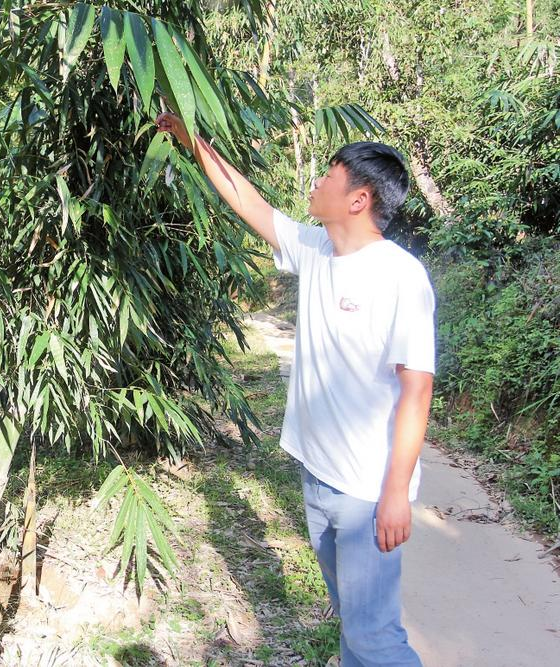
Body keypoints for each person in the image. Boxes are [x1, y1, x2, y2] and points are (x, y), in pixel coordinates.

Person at [156, 112, 434, 667]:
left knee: (375, 636)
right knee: (353, 623)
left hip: (366, 490)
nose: (316, 181)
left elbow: (417, 390)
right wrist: (191, 138)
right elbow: (249, 202)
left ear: (358, 199)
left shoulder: (399, 276)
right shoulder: (316, 250)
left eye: (329, 174)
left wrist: (396, 492)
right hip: (318, 472)